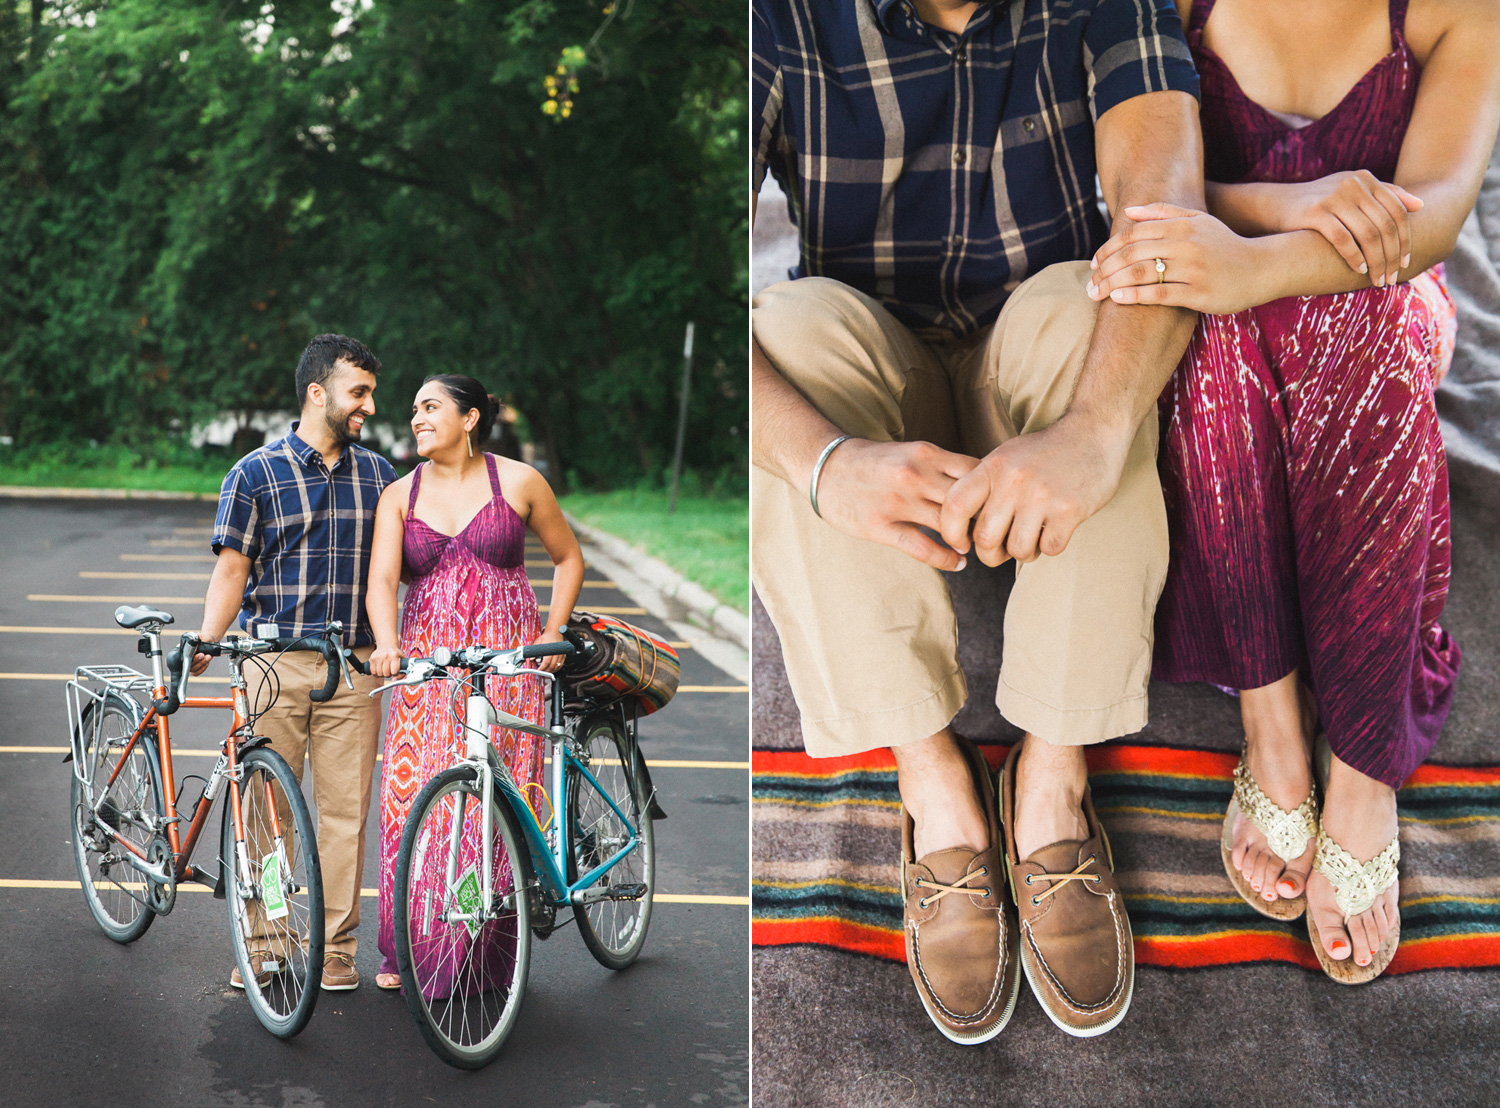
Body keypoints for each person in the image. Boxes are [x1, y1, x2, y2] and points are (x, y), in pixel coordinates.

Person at [752, 0, 1203, 1038]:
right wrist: (825, 463)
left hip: (1033, 348)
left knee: (1104, 308)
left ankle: (1051, 776)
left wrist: (1094, 431)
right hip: (875, 360)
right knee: (787, 331)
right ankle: (936, 785)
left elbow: (1165, 218)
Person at [1086, 0, 1500, 981]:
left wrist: (1260, 264)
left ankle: (1361, 767)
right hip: (1209, 273)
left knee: (1371, 326)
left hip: (1383, 297)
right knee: (1203, 326)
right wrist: (1270, 223)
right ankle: (1270, 722)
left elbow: (1431, 217)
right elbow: (1126, 186)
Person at [366, 374, 584, 991]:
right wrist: (387, 644)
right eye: (414, 410)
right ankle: (419, 948)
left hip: (507, 661)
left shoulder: (518, 481)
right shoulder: (398, 495)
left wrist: (553, 629)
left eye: (430, 408)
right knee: (423, 806)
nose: (417, 419)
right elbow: (383, 580)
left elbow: (568, 558)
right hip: (428, 666)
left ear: (469, 418)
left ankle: (487, 951)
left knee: (496, 806)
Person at [194, 333, 395, 991]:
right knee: (266, 811)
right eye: (358, 391)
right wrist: (206, 638)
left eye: (370, 391)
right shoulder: (254, 472)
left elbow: (393, 572)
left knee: (345, 815)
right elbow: (233, 571)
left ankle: (336, 950)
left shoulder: (379, 476)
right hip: (273, 664)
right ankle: (267, 940)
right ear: (319, 391)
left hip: (355, 667)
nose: (367, 404)